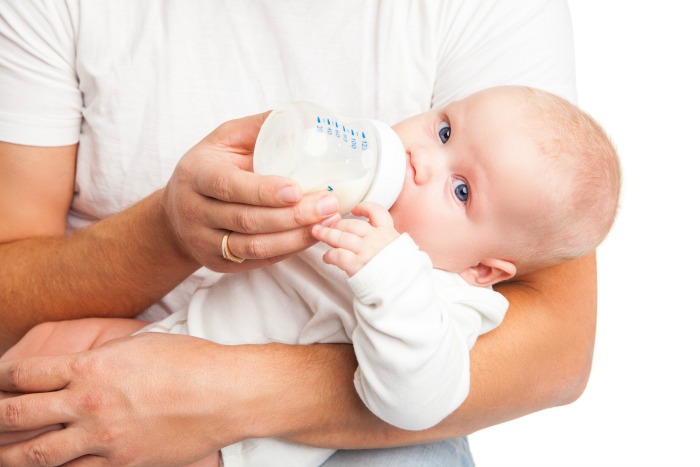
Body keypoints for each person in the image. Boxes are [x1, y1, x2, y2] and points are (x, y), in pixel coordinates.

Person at [0, 1, 594, 465]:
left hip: (247, 447)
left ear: (485, 269)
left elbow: (424, 400)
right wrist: (171, 232)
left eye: (461, 191)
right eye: (441, 131)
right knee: (42, 354)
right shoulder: (358, 213)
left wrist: (389, 276)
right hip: (167, 331)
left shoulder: (447, 298)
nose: (420, 162)